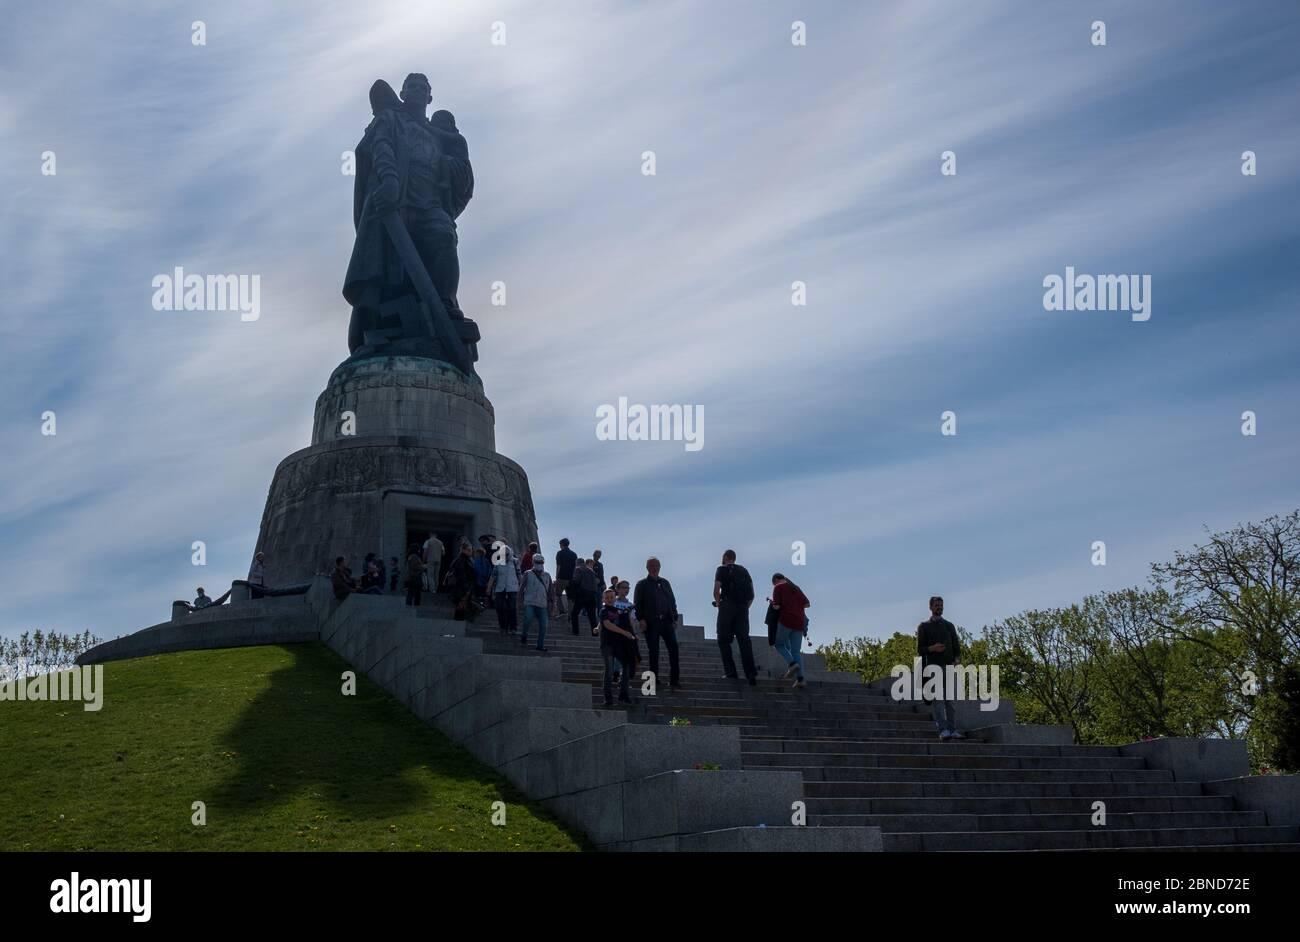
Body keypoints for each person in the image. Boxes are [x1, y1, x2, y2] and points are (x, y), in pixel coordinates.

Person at [918, 596, 965, 741]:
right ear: (931, 607)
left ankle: (952, 729)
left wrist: (957, 660)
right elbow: (920, 649)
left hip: (949, 666)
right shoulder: (924, 626)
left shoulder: (949, 625)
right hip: (933, 667)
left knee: (950, 701)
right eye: (937, 605)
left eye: (941, 605)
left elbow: (957, 647)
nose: (940, 607)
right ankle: (943, 730)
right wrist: (932, 648)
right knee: (938, 700)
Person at [634, 557, 683, 691]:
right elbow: (638, 603)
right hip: (651, 622)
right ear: (647, 568)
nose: (655, 567)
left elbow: (672, 601)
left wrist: (675, 618)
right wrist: (641, 619)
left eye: (657, 565)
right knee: (654, 651)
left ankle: (674, 680)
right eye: (652, 565)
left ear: (660, 567)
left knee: (674, 648)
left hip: (667, 621)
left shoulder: (665, 583)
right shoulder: (641, 584)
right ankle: (653, 681)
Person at [713, 549, 757, 685]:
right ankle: (751, 674)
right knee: (744, 641)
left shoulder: (721, 569)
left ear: (726, 557)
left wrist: (720, 605)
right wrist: (745, 608)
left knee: (723, 640)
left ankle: (731, 672)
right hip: (742, 608)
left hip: (727, 606)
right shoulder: (744, 570)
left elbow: (716, 591)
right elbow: (752, 594)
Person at [769, 573, 811, 688]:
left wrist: (774, 603)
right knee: (796, 651)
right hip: (799, 623)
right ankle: (800, 679)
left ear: (776, 580)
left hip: (786, 621)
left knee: (779, 644)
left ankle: (792, 664)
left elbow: (776, 606)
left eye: (773, 583)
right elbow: (807, 604)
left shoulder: (778, 588)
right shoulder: (795, 588)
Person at [599, 588, 638, 706]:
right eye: (607, 598)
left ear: (615, 598)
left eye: (611, 597)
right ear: (603, 600)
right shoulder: (603, 611)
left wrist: (633, 635)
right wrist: (624, 633)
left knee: (626, 666)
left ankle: (624, 694)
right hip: (607, 644)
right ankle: (608, 697)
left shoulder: (618, 611)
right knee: (609, 670)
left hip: (619, 644)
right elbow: (607, 624)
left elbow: (626, 621)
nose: (609, 599)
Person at [520, 553, 554, 651]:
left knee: (544, 625)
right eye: (537, 562)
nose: (539, 564)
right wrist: (519, 601)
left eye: (541, 562)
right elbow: (521, 588)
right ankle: (524, 634)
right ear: (533, 562)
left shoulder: (547, 575)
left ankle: (540, 645)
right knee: (528, 618)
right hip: (529, 602)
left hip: (542, 603)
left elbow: (551, 590)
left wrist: (553, 604)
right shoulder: (527, 573)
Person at [488, 541, 522, 635]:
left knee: (512, 608)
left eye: (506, 554)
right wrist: (489, 587)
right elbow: (493, 576)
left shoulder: (515, 561)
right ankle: (502, 627)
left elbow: (519, 574)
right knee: (499, 608)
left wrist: (522, 587)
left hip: (512, 588)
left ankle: (513, 628)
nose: (505, 556)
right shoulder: (498, 563)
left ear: (510, 553)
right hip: (500, 588)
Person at [569, 558, 600, 635]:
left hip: (582, 594)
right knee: (592, 617)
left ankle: (575, 632)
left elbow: (576, 581)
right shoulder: (591, 571)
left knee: (574, 614)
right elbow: (596, 584)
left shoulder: (578, 569)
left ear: (577, 563)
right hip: (592, 596)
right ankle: (595, 634)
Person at [448, 542, 479, 619]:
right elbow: (462, 575)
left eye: (471, 550)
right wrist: (467, 590)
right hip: (461, 589)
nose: (471, 552)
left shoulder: (465, 560)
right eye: (469, 550)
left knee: (461, 610)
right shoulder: (461, 560)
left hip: (462, 588)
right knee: (460, 609)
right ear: (463, 550)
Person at [554, 538, 577, 615]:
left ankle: (561, 611)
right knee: (570, 597)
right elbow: (575, 568)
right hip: (570, 579)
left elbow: (558, 566)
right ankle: (571, 613)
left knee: (558, 595)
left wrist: (557, 577)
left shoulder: (560, 553)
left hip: (561, 577)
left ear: (562, 544)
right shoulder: (574, 554)